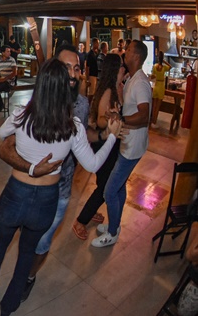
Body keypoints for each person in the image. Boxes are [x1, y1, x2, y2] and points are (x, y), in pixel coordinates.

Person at [0, 59, 121, 316]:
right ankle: (8, 306)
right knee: (26, 255)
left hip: (15, 192)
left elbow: (1, 134)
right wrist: (111, 136)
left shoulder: (22, 114)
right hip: (46, 199)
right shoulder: (72, 126)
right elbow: (92, 164)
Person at [0, 45, 96, 302]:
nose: (72, 74)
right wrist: (32, 169)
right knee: (17, 237)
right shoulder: (38, 100)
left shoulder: (82, 104)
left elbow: (83, 140)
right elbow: (6, 146)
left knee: (41, 242)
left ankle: (28, 278)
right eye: (66, 68)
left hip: (60, 191)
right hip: (24, 186)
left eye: (77, 68)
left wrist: (107, 134)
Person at [91, 40, 151, 248]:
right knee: (119, 187)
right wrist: (116, 114)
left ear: (136, 56)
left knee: (109, 191)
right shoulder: (131, 79)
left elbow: (144, 116)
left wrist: (122, 120)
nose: (125, 53)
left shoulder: (140, 83)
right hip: (127, 143)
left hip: (132, 148)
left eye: (129, 50)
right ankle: (114, 224)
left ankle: (112, 232)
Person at [72, 54, 124, 241]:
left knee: (104, 182)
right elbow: (100, 121)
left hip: (111, 142)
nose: (124, 69)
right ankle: (80, 220)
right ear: (115, 69)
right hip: (103, 142)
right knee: (105, 187)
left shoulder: (117, 88)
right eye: (121, 66)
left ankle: (91, 210)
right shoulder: (108, 91)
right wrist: (110, 118)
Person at [0, 45, 17, 113]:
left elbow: (14, 73)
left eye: (10, 51)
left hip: (9, 82)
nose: (9, 53)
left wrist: (4, 79)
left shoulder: (12, 60)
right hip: (1, 80)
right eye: (8, 51)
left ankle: (0, 105)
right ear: (3, 53)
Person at [150, 51, 170, 126]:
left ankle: (152, 121)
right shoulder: (164, 67)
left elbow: (152, 76)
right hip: (161, 86)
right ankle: (154, 122)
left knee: (154, 106)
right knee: (158, 106)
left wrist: (152, 76)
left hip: (156, 85)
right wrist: (164, 61)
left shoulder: (155, 66)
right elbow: (170, 66)